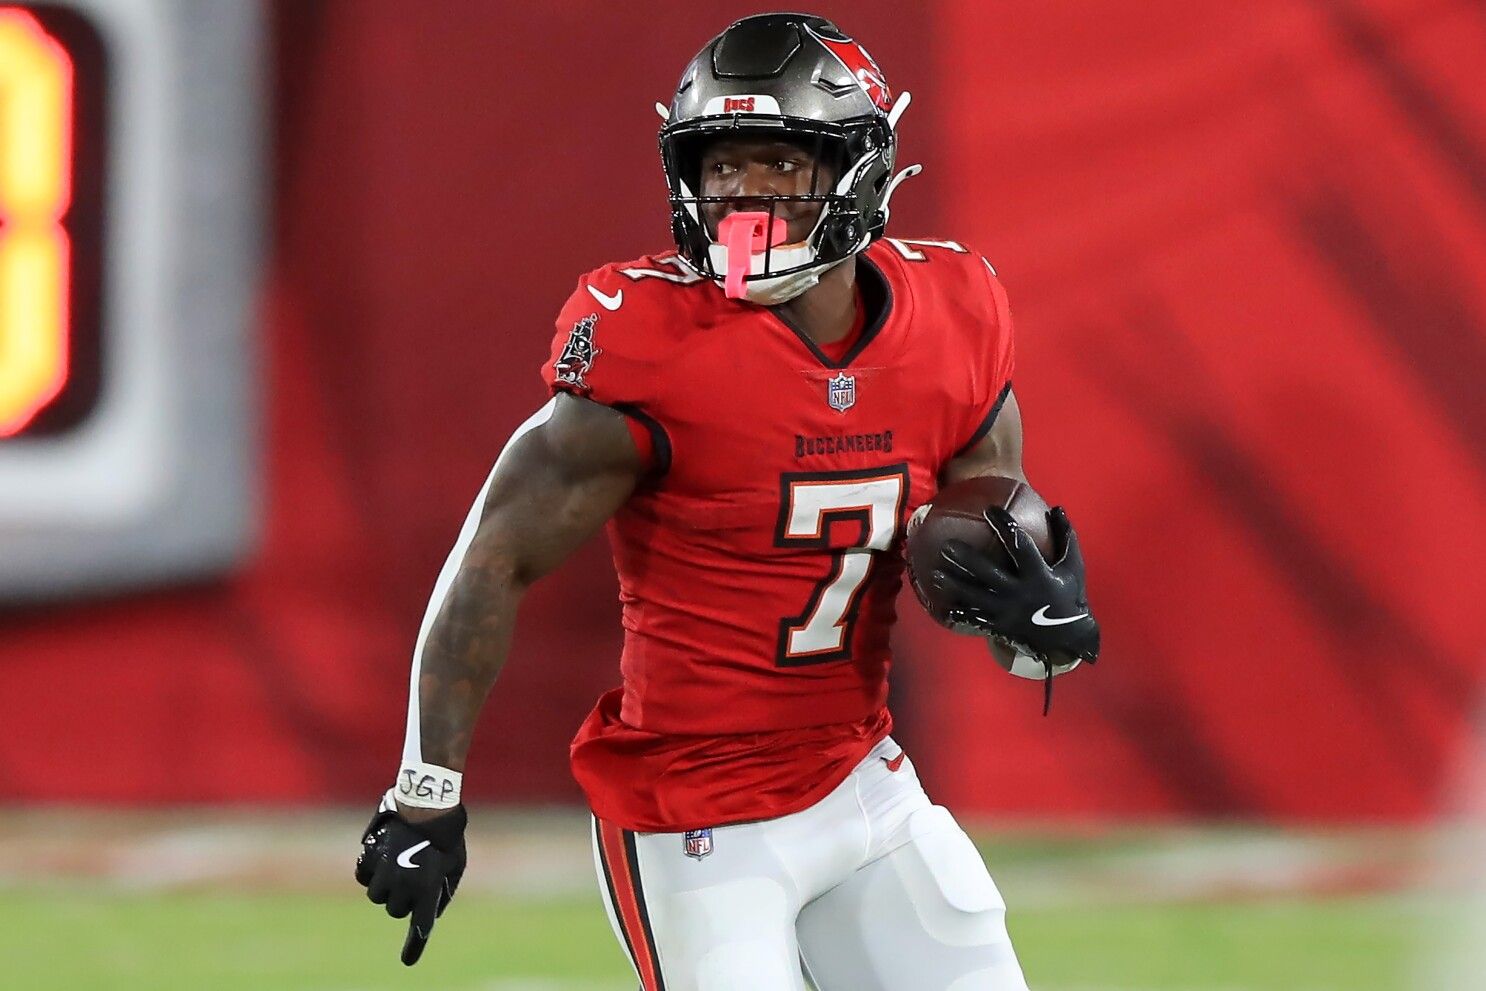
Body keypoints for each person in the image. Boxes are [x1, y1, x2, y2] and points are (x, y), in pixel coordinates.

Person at [355, 13, 1099, 990]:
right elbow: (493, 559)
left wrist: (1041, 625)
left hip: (860, 784)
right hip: (692, 813)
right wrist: (424, 794)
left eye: (781, 165)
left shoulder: (953, 317)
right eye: (723, 167)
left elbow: (993, 575)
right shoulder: (653, 340)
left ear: (862, 169)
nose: (747, 195)